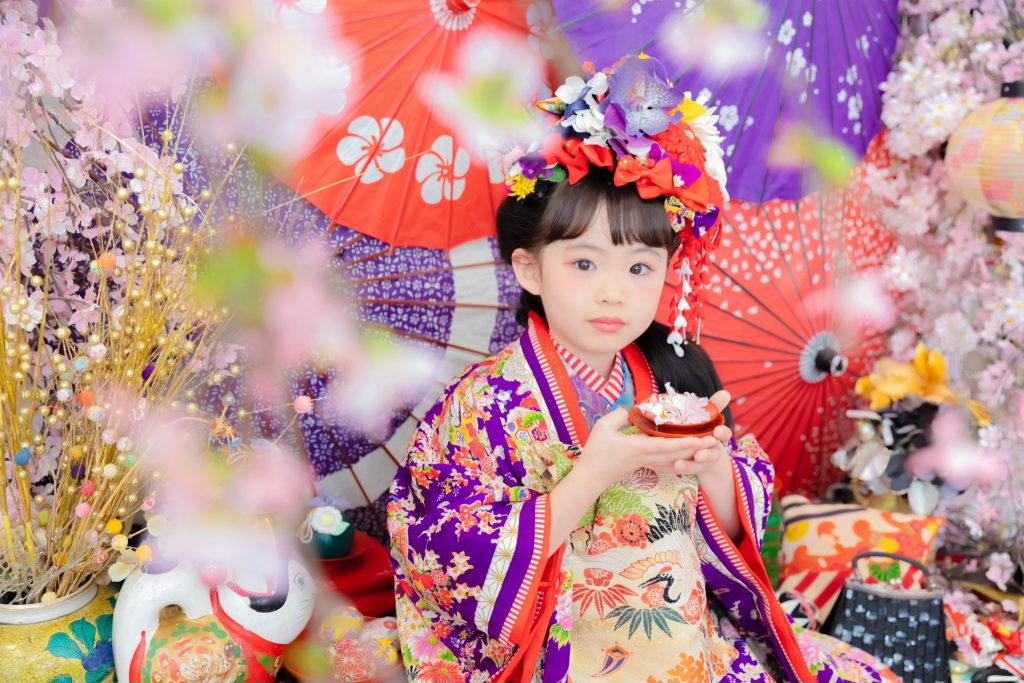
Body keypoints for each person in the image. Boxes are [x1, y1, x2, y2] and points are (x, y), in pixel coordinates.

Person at [387, 56, 898, 683]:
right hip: (562, 648)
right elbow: (443, 551)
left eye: (638, 267)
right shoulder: (482, 404)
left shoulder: (675, 378)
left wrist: (713, 467)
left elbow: (728, 535)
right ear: (529, 269)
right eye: (584, 264)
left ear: (665, 271)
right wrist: (592, 474)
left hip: (682, 633)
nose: (614, 293)